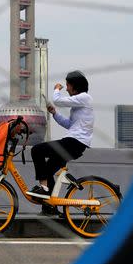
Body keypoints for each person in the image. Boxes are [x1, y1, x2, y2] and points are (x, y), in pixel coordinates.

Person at [27, 70, 93, 216]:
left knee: (37, 150)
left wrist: (57, 88)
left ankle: (43, 188)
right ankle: (49, 207)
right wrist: (54, 113)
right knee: (49, 169)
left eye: (68, 85)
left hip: (74, 142)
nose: (67, 88)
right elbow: (69, 124)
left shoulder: (85, 97)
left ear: (74, 86)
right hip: (75, 142)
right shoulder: (79, 104)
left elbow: (57, 99)